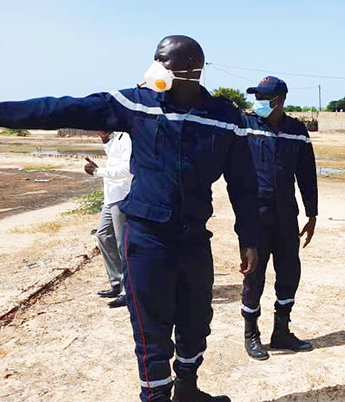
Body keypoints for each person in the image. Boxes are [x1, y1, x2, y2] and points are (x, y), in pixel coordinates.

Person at [0, 35, 260, 402]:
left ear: (188, 70)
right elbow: (60, 108)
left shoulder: (225, 119)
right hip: (146, 239)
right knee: (151, 330)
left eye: (161, 60)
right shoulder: (136, 105)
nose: (153, 67)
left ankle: (188, 390)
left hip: (194, 240)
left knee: (196, 322)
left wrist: (248, 238)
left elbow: (244, 185)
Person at [240, 76, 318, 360]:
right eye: (257, 97)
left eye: (264, 98)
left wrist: (312, 213)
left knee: (288, 273)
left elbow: (307, 174)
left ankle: (281, 331)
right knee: (254, 275)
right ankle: (251, 334)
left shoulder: (296, 130)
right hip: (255, 215)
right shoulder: (245, 126)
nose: (258, 102)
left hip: (286, 215)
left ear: (280, 101)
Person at [86, 130, 133, 308]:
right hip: (110, 196)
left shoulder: (127, 136)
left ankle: (128, 291)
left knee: (123, 245)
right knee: (103, 236)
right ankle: (117, 282)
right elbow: (114, 157)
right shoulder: (116, 137)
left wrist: (97, 171)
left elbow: (128, 169)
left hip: (122, 195)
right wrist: (105, 139)